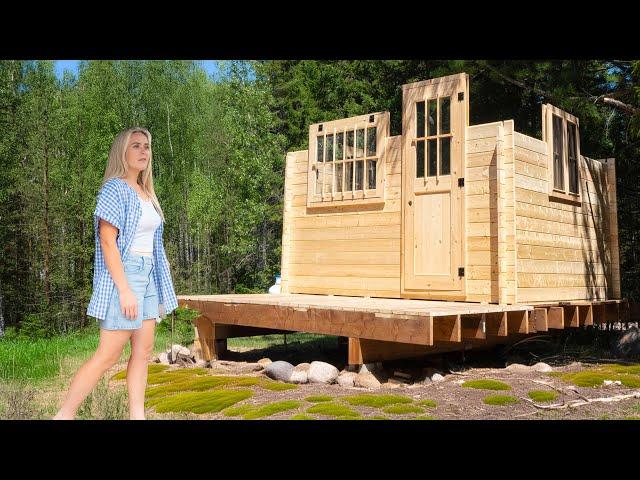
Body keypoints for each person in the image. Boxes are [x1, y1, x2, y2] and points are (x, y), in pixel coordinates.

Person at [53, 127, 178, 420]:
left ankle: (138, 416)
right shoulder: (114, 188)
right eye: (136, 146)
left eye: (146, 146)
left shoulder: (146, 192)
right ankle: (64, 415)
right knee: (108, 355)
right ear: (122, 152)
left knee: (143, 352)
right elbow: (108, 240)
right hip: (127, 275)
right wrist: (124, 289)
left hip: (148, 277)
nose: (143, 151)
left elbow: (153, 244)